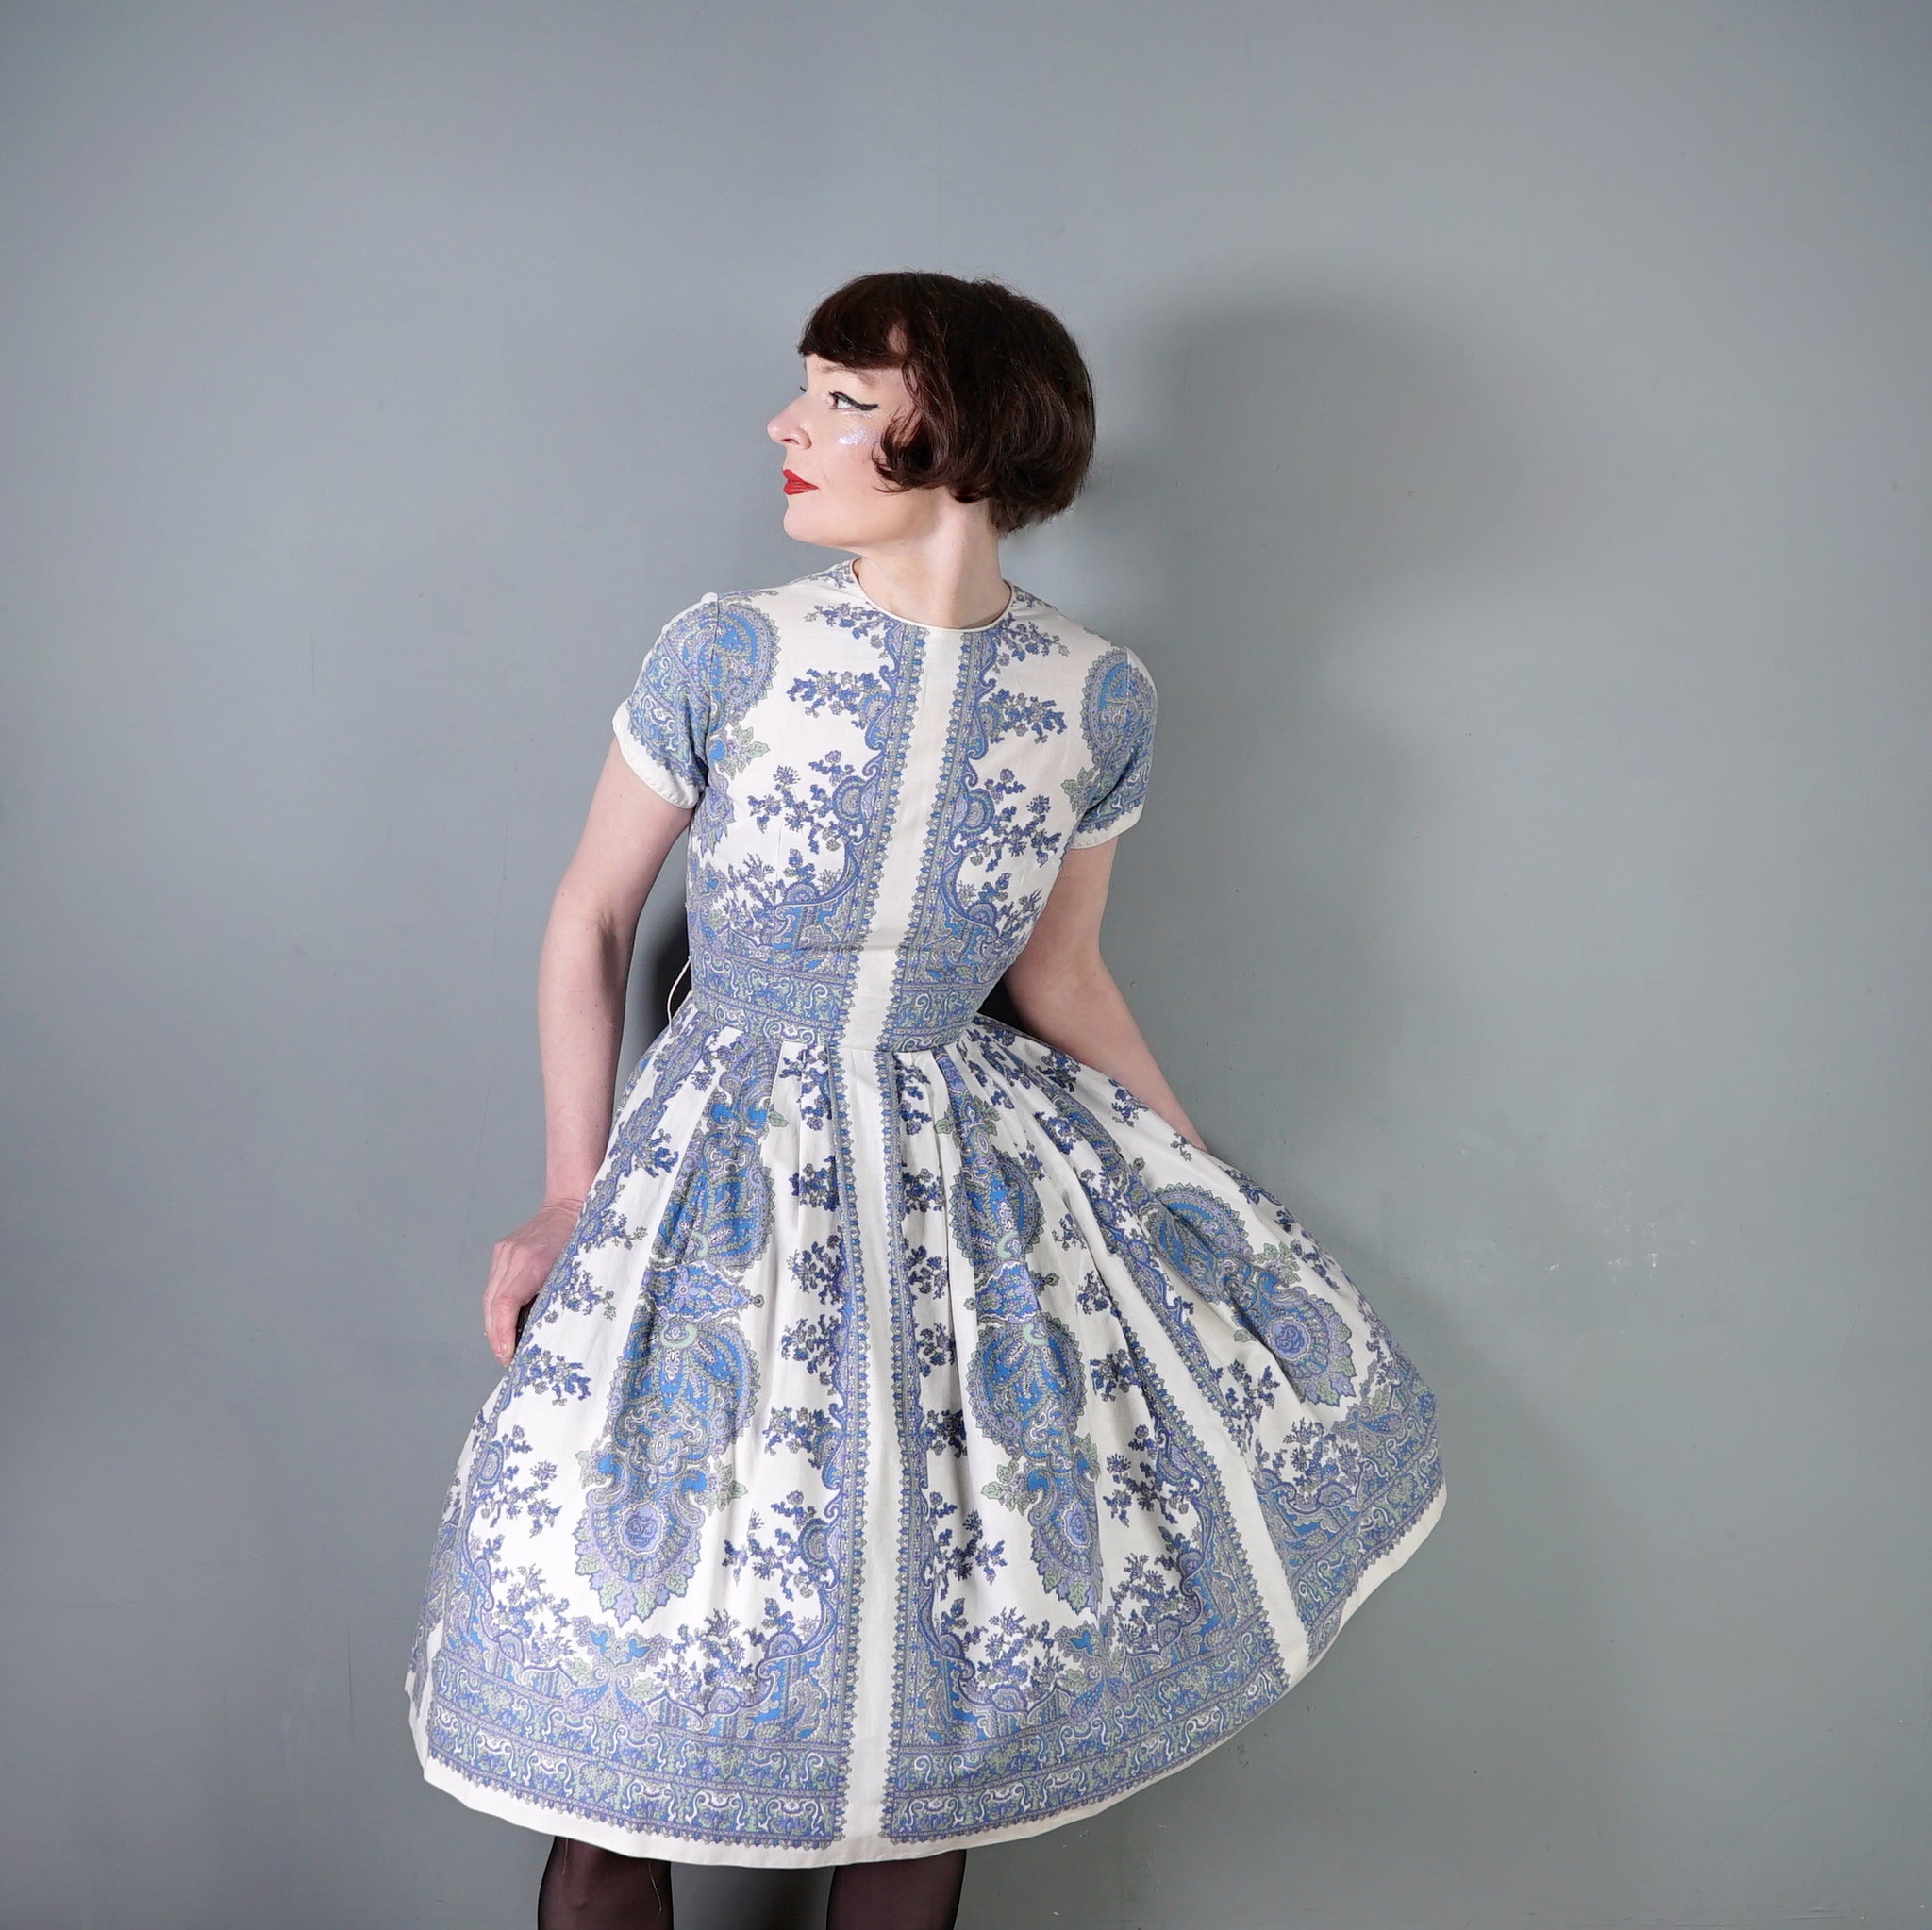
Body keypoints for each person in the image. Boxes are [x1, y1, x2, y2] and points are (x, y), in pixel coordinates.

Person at [405, 271, 1447, 1928]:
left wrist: (1200, 1193)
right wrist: (566, 1189)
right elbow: (590, 917)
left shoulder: (1098, 697)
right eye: (806, 389)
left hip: (954, 1213)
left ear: (955, 432)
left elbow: (1065, 975)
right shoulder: (730, 650)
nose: (788, 423)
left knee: (923, 1741)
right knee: (610, 1755)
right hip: (704, 1194)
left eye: (838, 397)